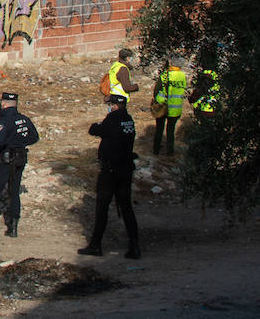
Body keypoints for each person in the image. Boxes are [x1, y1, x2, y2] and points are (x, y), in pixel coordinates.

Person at [78, 94, 141, 259]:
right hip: (126, 169)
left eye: (110, 104)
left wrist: (100, 124)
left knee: (102, 208)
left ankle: (95, 245)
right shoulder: (129, 119)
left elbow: (94, 130)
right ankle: (134, 246)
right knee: (126, 208)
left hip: (111, 170)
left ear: (114, 106)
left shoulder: (112, 118)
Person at [0, 91, 40, 238]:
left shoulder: (4, 121)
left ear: (5, 104)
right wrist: (21, 143)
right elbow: (34, 137)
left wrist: (9, 145)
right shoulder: (24, 120)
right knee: (14, 192)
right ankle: (13, 227)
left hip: (6, 160)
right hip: (20, 159)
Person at [152, 57, 188, 155]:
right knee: (171, 130)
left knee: (159, 129)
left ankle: (156, 150)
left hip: (162, 106)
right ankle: (170, 151)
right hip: (175, 108)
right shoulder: (183, 76)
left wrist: (156, 100)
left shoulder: (165, 75)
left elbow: (156, 90)